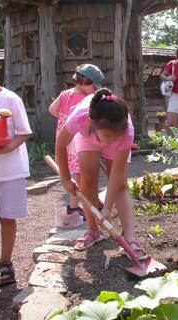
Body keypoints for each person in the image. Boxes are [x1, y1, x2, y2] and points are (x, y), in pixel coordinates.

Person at [55, 88, 145, 258]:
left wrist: (107, 208)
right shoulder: (80, 118)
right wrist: (66, 180)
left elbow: (116, 176)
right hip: (87, 136)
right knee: (87, 179)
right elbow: (60, 145)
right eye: (108, 136)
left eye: (115, 136)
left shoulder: (125, 132)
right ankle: (92, 230)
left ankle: (130, 239)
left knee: (120, 186)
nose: (111, 141)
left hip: (111, 135)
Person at [49, 64, 105, 221]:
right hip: (76, 138)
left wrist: (63, 118)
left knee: (73, 171)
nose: (95, 90)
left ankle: (81, 204)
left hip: (63, 137)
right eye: (94, 86)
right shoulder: (84, 99)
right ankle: (80, 206)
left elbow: (52, 109)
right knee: (79, 172)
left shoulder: (65, 94)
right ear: (85, 81)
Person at [0, 82, 32, 286]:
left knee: (7, 218)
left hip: (10, 171)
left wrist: (9, 147)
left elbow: (24, 132)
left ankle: (5, 263)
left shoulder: (10, 99)